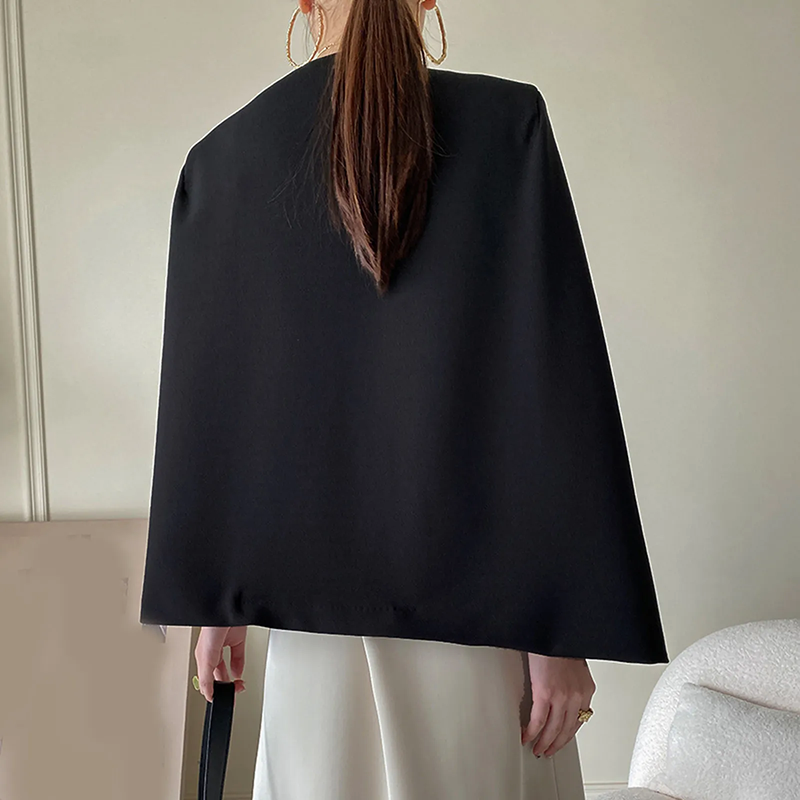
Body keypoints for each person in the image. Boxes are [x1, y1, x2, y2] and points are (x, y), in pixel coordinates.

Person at [139, 0, 669, 797]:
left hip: (313, 646)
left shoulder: (224, 161)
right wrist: (558, 632)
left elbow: (215, 402)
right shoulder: (508, 129)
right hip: (486, 637)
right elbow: (548, 388)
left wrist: (219, 598)